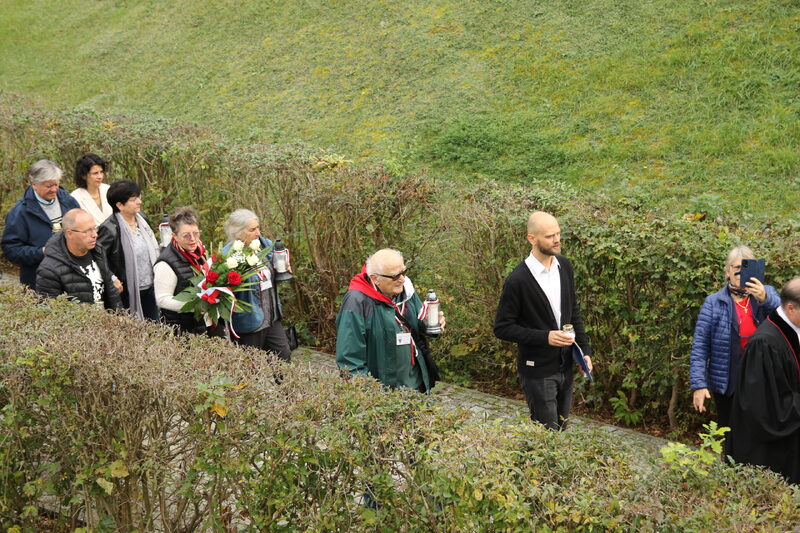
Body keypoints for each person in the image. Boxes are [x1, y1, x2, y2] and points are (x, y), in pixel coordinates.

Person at [494, 211, 593, 430]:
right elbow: (502, 328)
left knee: (561, 429)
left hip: (566, 366)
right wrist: (545, 337)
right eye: (549, 236)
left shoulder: (564, 266)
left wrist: (584, 351)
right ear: (532, 238)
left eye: (558, 233)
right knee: (546, 436)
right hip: (537, 371)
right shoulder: (517, 280)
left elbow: (573, 312)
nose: (557, 240)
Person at [689, 246, 780, 434]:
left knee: (759, 433)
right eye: (736, 266)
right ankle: (731, 464)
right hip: (728, 380)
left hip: (762, 379)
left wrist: (764, 298)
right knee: (729, 434)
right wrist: (699, 385)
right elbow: (700, 346)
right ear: (728, 271)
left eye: (746, 267)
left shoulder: (767, 294)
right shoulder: (714, 302)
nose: (740, 272)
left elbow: (787, 320)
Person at [336, 248, 444, 393]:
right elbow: (350, 363)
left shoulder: (405, 289)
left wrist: (429, 323)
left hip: (416, 386)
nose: (402, 279)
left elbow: (417, 323)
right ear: (375, 278)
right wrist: (374, 401)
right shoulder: (356, 302)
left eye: (403, 272)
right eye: (394, 276)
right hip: (385, 395)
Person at [728, 278, 800, 484]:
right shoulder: (764, 344)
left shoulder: (791, 330)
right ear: (790, 308)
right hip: (767, 452)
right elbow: (765, 407)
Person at [221, 209, 291, 361]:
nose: (258, 233)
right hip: (249, 323)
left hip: (271, 318)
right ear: (237, 232)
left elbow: (273, 272)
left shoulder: (265, 245)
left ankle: (285, 385)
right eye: (252, 229)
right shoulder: (228, 257)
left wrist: (282, 266)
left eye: (258, 227)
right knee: (251, 369)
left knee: (284, 360)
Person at [2, 159, 80, 289]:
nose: (54, 189)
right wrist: (41, 252)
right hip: (39, 282)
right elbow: (11, 250)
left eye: (56, 184)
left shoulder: (68, 201)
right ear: (34, 185)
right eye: (48, 186)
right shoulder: (20, 212)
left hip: (73, 280)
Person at [97, 180, 160, 320]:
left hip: (150, 287)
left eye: (138, 197)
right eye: (133, 199)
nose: (139, 201)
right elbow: (98, 257)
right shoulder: (109, 229)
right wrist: (112, 278)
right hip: (126, 291)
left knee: (155, 329)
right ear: (119, 205)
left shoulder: (142, 219)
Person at [35, 208, 122, 310]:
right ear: (69, 233)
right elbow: (50, 313)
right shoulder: (49, 270)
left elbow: (111, 292)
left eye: (94, 228)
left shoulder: (98, 250)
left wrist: (119, 315)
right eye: (87, 231)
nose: (95, 235)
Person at [153, 207, 209, 334]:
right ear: (174, 236)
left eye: (196, 233)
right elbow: (161, 299)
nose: (193, 239)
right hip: (181, 328)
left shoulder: (199, 251)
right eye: (186, 235)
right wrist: (193, 306)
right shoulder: (166, 263)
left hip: (203, 324)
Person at [71, 153, 112, 225]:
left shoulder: (109, 189)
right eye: (95, 173)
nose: (100, 176)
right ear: (84, 175)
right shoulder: (75, 198)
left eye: (101, 172)